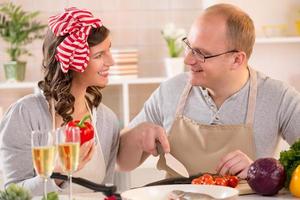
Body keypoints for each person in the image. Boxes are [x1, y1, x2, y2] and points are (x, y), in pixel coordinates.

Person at [117, 3, 300, 179]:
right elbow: (122, 163)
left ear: (236, 60)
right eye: (188, 46)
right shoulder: (169, 92)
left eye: (200, 53)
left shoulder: (279, 98)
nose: (187, 60)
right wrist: (137, 135)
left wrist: (261, 171)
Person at [0, 7, 119, 195]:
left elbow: (105, 193)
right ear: (72, 62)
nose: (111, 61)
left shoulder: (107, 121)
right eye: (98, 55)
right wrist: (57, 172)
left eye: (109, 50)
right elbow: (12, 194)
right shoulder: (24, 114)